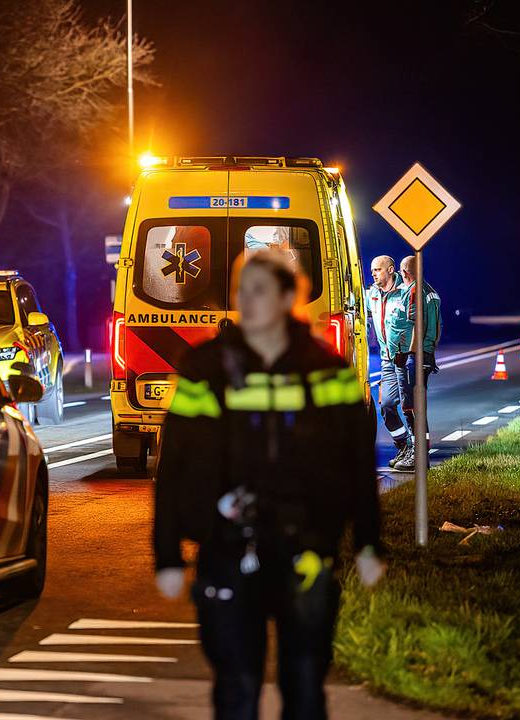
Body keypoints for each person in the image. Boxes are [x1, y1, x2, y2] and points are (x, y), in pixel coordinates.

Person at [153, 250, 385, 720]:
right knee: (236, 688)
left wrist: (367, 543)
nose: (248, 300)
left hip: (307, 550)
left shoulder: (326, 369)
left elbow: (357, 463)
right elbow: (174, 464)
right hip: (227, 550)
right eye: (242, 290)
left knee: (304, 685)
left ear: (287, 297)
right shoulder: (206, 369)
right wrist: (167, 554)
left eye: (260, 290)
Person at [385, 255, 441, 471]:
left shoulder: (415, 291)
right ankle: (416, 450)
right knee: (416, 406)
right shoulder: (430, 291)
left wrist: (409, 353)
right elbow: (438, 327)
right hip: (422, 355)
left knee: (411, 408)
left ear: (404, 272)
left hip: (412, 357)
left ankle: (416, 455)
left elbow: (416, 324)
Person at [364, 256, 410, 468]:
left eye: (378, 270)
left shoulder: (406, 291)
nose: (373, 273)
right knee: (387, 405)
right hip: (387, 360)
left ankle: (417, 452)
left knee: (411, 406)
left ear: (391, 270)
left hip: (407, 358)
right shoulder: (372, 294)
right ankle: (403, 446)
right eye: (372, 270)